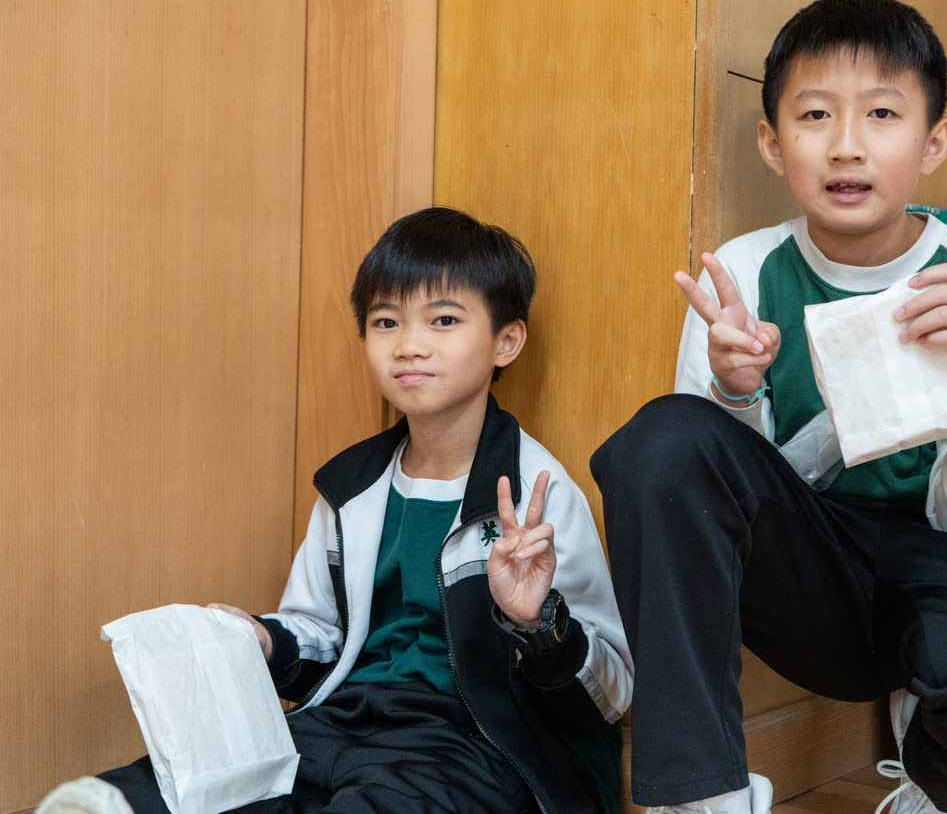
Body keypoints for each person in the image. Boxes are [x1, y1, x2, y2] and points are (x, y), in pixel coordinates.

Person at [590, 0, 947, 814]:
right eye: (815, 115)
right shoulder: (743, 273)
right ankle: (703, 794)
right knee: (661, 439)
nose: (846, 145)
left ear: (934, 141)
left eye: (882, 113)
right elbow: (695, 508)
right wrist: (736, 392)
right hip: (812, 573)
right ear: (773, 143)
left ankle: (935, 766)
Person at [40, 207, 634, 814]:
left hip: (477, 744)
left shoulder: (538, 493)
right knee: (177, 788)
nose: (409, 346)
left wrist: (537, 624)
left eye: (444, 320)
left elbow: (608, 695)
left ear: (506, 341)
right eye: (386, 322)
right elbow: (321, 637)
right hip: (345, 722)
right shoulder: (352, 488)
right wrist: (265, 641)